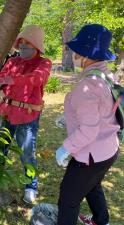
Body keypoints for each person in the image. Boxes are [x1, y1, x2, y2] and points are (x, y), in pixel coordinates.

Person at [55, 24, 119, 225]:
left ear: (85, 54)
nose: (74, 55)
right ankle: (102, 221)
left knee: (68, 199)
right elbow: (103, 111)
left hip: (90, 155)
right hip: (108, 150)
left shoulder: (87, 86)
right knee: (93, 185)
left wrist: (65, 148)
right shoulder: (106, 76)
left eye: (76, 51)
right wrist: (71, 118)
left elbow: (89, 130)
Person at [0, 25, 52, 204]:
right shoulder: (13, 61)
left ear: (37, 46)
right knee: (0, 149)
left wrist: (11, 79)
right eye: (21, 42)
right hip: (6, 112)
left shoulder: (44, 63)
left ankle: (30, 186)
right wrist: (6, 80)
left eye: (28, 43)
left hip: (27, 117)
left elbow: (37, 79)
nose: (23, 46)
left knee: (27, 153)